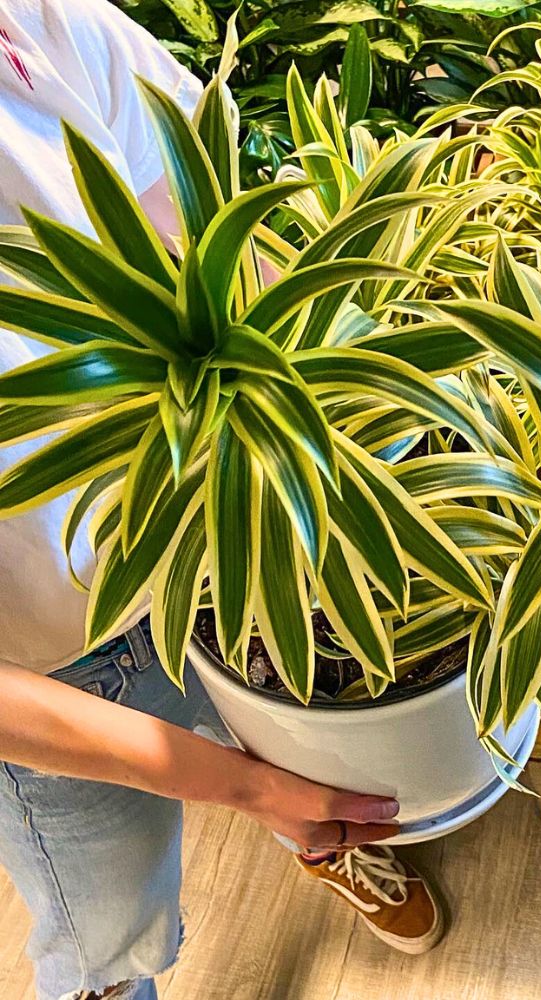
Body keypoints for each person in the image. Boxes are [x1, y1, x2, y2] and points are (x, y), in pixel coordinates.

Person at [0, 3, 445, 998]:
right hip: (44, 664)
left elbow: (214, 246)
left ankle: (320, 834)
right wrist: (242, 789)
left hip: (215, 541)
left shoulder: (38, 22)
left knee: (307, 730)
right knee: (114, 923)